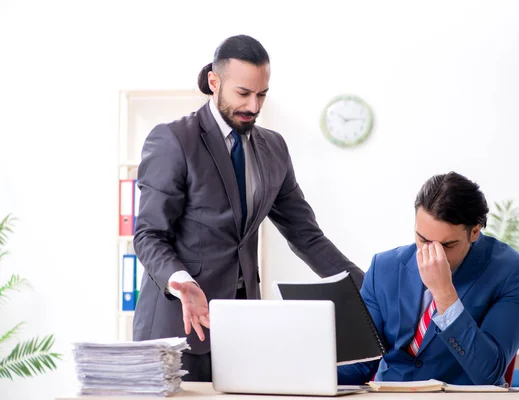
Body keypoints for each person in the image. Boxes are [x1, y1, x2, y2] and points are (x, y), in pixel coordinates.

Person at [132, 34, 364, 382]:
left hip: (241, 327)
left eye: (262, 95)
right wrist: (180, 280)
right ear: (214, 81)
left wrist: (366, 287)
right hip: (176, 326)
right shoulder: (174, 140)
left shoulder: (274, 148)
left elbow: (306, 235)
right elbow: (149, 234)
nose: (254, 106)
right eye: (243, 93)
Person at [338, 171, 519, 386]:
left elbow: (488, 373)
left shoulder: (514, 273)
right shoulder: (384, 268)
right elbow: (361, 364)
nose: (433, 253)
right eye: (423, 239)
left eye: (447, 245)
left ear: (475, 232)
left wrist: (444, 294)